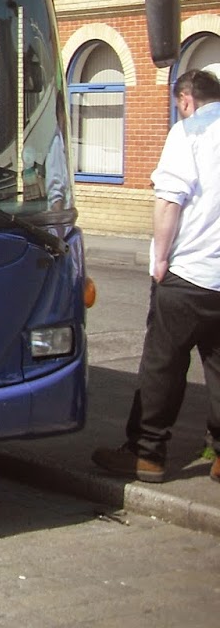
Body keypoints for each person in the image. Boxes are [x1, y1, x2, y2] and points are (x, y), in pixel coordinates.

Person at [92, 69, 220, 484]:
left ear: (186, 100)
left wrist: (161, 259)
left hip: (188, 272)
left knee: (162, 365)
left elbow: (168, 201)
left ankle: (147, 453)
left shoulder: (189, 132)